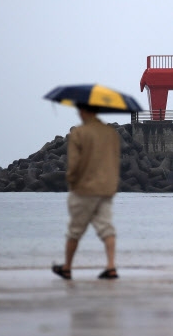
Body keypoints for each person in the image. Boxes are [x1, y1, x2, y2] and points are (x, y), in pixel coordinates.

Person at [52, 104, 121, 280]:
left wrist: (71, 181)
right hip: (106, 188)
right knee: (106, 228)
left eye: (79, 111)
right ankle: (111, 266)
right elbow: (115, 160)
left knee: (75, 230)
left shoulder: (79, 133)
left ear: (84, 111)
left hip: (84, 189)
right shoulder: (110, 133)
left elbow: (74, 163)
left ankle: (67, 268)